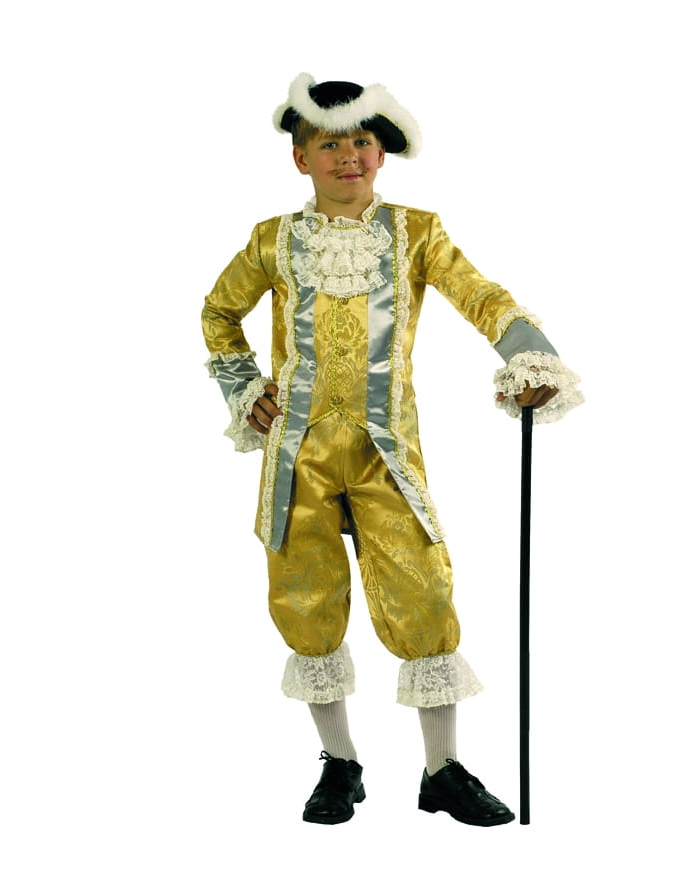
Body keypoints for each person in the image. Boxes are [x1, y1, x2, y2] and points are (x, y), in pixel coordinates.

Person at [201, 73, 583, 826]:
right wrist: (245, 388)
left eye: (361, 143)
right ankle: (340, 764)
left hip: (388, 454)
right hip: (298, 457)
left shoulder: (417, 232)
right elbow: (219, 312)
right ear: (301, 159)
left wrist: (529, 359)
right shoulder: (272, 241)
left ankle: (442, 771)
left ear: (382, 154)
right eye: (329, 145)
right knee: (306, 605)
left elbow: (483, 297)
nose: (348, 157)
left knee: (425, 598)